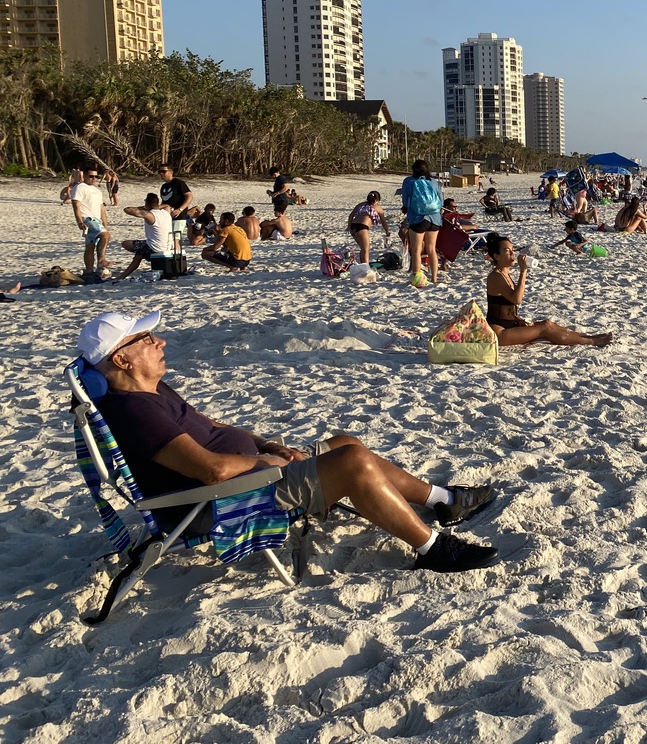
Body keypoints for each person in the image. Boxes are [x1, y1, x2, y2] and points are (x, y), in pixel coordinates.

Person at [77, 310, 498, 573]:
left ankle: (444, 500)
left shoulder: (149, 389)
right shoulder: (135, 412)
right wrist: (267, 464)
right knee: (352, 463)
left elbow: (210, 426)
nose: (159, 341)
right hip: (224, 500)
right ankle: (431, 548)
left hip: (252, 471)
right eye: (146, 339)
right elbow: (212, 470)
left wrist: (268, 445)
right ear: (121, 359)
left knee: (346, 443)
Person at [484, 235, 613, 346]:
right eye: (507, 251)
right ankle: (591, 342)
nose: (513, 254)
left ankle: (587, 337)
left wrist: (519, 319)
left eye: (513, 250)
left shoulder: (504, 273)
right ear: (496, 256)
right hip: (499, 333)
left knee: (547, 323)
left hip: (511, 324)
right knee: (545, 329)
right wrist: (523, 271)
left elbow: (505, 306)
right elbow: (517, 299)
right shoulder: (495, 276)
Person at [400, 159, 442, 285]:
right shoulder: (434, 182)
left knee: (417, 250)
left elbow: (406, 201)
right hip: (434, 219)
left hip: (418, 218)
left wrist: (405, 209)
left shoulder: (409, 181)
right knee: (431, 250)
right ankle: (434, 278)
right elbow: (440, 201)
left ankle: (417, 279)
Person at [117, 192, 175, 278]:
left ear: (147, 203)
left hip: (155, 247)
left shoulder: (150, 215)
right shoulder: (166, 212)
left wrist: (144, 208)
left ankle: (122, 276)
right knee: (139, 248)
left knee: (128, 246)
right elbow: (167, 205)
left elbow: (127, 209)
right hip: (168, 246)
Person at [71, 166, 111, 278]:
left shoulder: (97, 191)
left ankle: (89, 271)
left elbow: (101, 208)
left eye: (95, 176)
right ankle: (101, 261)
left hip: (97, 219)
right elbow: (76, 205)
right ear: (84, 176)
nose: (93, 179)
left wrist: (105, 224)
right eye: (91, 176)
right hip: (88, 219)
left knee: (90, 245)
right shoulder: (80, 188)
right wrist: (79, 221)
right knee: (105, 236)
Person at [347, 190, 392, 265]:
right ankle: (365, 267)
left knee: (363, 249)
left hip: (353, 226)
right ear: (377, 200)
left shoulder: (361, 205)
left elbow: (351, 215)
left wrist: (348, 226)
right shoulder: (378, 208)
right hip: (362, 227)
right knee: (366, 249)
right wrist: (387, 231)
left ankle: (363, 265)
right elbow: (383, 222)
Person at [157, 165, 194, 248]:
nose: (161, 174)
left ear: (171, 172)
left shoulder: (179, 183)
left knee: (176, 238)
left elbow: (189, 196)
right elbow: (165, 202)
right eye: (160, 172)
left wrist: (180, 209)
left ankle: (177, 258)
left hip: (179, 215)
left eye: (164, 171)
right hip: (167, 215)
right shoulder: (164, 186)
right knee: (168, 238)